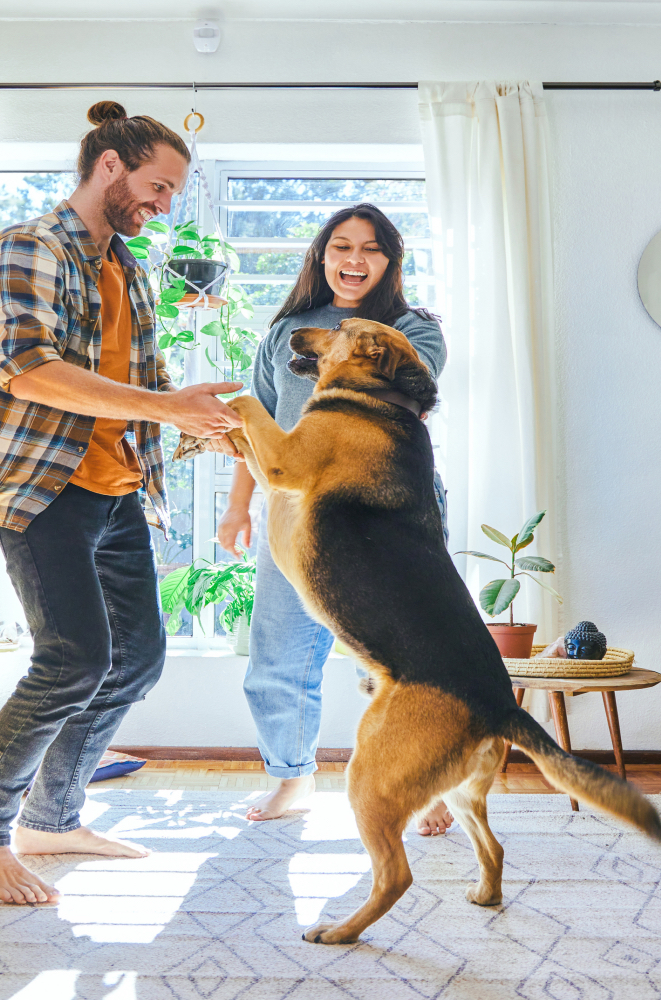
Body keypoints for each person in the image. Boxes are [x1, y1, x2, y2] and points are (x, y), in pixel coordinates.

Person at [0, 101, 244, 905]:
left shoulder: (129, 268)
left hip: (115, 490)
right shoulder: (27, 248)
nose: (165, 204)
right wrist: (166, 406)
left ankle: (53, 815)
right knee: (72, 656)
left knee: (137, 657)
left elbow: (138, 391)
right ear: (109, 166)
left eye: (175, 191)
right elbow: (33, 370)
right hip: (41, 487)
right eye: (158, 184)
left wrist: (203, 424)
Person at [216, 204, 456, 835]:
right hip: (293, 511)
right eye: (341, 247)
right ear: (321, 256)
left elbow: (406, 399)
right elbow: (257, 420)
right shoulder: (288, 329)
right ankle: (293, 778)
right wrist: (238, 504)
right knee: (278, 650)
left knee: (393, 657)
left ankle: (417, 780)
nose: (354, 260)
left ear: (390, 261)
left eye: (371, 249)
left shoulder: (413, 330)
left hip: (385, 512)